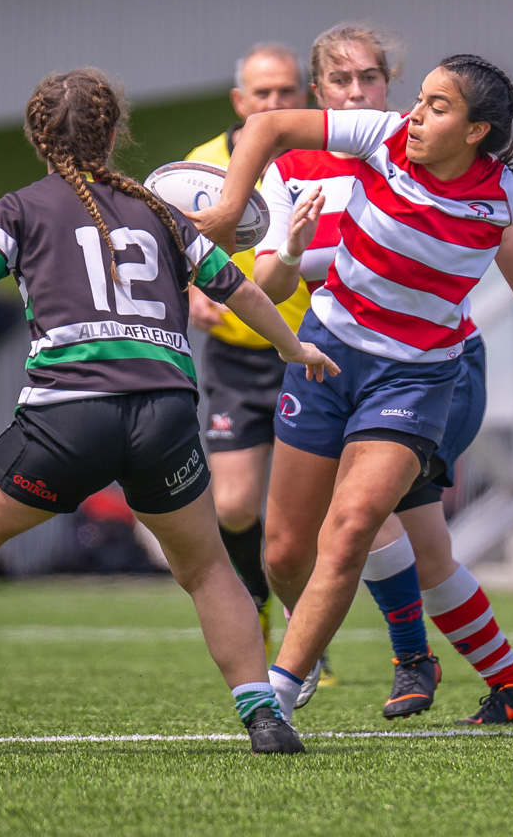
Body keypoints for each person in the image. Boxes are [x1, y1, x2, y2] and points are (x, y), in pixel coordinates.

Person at [0, 69, 338, 754]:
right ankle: (262, 714)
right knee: (207, 571)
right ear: (114, 136)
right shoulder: (163, 213)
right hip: (165, 415)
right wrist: (296, 348)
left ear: (35, 137)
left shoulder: (21, 209)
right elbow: (242, 294)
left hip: (69, 417)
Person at [190, 54, 513, 725]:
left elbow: (506, 232)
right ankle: (505, 682)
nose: (356, 92)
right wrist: (280, 253)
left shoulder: (412, 148)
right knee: (368, 547)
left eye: (368, 80)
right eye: (339, 82)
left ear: (387, 87)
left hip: (433, 369)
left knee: (363, 524)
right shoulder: (302, 167)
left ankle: (397, 662)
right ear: (318, 92)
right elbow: (273, 281)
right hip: (332, 360)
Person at [185, 42, 311, 663]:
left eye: (286, 92)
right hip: (235, 358)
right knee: (232, 504)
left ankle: (308, 633)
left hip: (308, 354)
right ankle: (256, 602)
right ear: (240, 101)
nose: (275, 103)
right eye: (262, 93)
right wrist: (190, 293)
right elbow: (171, 242)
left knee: (304, 515)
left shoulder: (322, 157)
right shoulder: (201, 165)